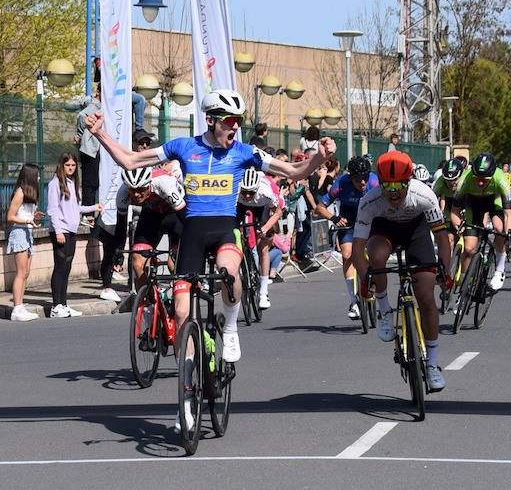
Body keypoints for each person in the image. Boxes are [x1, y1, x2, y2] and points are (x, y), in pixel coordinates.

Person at [85, 88, 336, 428]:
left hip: (224, 229)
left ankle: (230, 328)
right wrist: (100, 133)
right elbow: (130, 161)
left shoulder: (245, 152)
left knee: (229, 274)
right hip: (192, 232)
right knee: (182, 313)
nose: (235, 128)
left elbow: (293, 172)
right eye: (229, 121)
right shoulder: (183, 147)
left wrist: (318, 158)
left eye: (238, 122)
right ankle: (186, 399)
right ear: (211, 120)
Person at [351, 151, 451, 391]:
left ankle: (433, 364)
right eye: (387, 186)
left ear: (409, 181)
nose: (393, 192)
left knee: (426, 296)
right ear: (380, 183)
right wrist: (366, 281)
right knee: (376, 256)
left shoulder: (424, 195)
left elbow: (442, 238)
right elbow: (357, 249)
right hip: (384, 230)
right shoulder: (369, 201)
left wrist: (445, 270)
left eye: (399, 185)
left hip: (416, 231)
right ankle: (385, 309)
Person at [315, 156, 379, 320]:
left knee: (375, 254)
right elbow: (319, 207)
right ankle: (354, 301)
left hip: (370, 219)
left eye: (365, 178)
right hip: (348, 220)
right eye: (358, 179)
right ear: (351, 177)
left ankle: (373, 284)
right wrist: (334, 218)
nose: (363, 182)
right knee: (347, 254)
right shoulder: (342, 184)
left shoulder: (374, 182)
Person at [47, 153, 102, 318]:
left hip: (71, 230)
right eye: (67, 165)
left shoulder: (72, 183)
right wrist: (57, 230)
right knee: (60, 266)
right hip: (61, 230)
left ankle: (63, 304)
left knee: (67, 267)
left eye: (73, 165)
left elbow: (76, 208)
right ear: (61, 166)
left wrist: (94, 207)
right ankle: (56, 306)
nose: (70, 168)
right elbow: (53, 209)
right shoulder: (55, 184)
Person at [450, 153, 511, 292]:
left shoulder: (500, 178)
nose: (481, 182)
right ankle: (465, 286)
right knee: (469, 248)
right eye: (477, 179)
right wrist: (459, 224)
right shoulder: (464, 180)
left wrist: (509, 233)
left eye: (485, 179)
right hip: (474, 203)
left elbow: (508, 213)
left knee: (499, 228)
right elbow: (454, 211)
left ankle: (500, 270)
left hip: (494, 201)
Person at [116, 166, 186, 288]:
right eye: (132, 190)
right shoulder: (122, 193)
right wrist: (117, 254)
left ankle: (180, 301)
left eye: (141, 189)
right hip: (151, 214)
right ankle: (148, 302)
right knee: (137, 263)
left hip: (174, 214)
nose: (137, 194)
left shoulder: (164, 183)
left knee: (173, 264)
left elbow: (185, 219)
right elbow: (120, 227)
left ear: (149, 184)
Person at [236, 167, 282, 309]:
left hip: (262, 208)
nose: (248, 195)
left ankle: (263, 293)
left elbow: (278, 213)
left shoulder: (265, 193)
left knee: (263, 248)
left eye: (251, 192)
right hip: (240, 205)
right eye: (245, 192)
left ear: (256, 189)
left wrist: (265, 228)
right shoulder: (237, 191)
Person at [5, 163, 44, 322]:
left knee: (26, 272)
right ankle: (17, 308)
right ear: (30, 176)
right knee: (21, 273)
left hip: (27, 232)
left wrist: (34, 218)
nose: (39, 178)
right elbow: (10, 217)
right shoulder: (20, 193)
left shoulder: (30, 194)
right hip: (19, 233)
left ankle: (20, 306)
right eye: (37, 175)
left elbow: (26, 214)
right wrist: (28, 220)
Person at [74, 83, 101, 220]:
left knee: (94, 182)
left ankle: (91, 213)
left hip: (96, 150)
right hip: (91, 150)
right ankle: (88, 215)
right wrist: (79, 134)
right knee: (90, 183)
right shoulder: (95, 107)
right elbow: (81, 116)